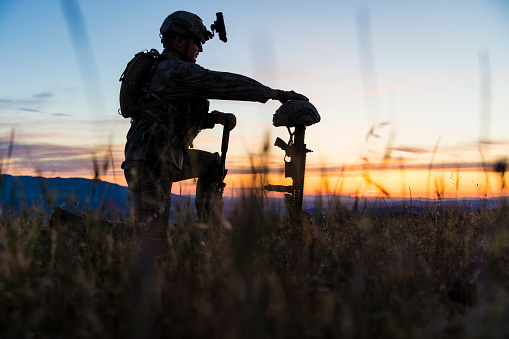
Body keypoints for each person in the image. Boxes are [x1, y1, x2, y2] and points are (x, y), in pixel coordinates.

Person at [121, 10, 308, 233]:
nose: (200, 49)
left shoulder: (168, 71)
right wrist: (276, 94)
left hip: (167, 157)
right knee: (151, 236)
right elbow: (223, 83)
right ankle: (93, 234)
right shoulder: (175, 71)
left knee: (212, 165)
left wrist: (213, 119)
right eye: (197, 42)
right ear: (180, 41)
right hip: (148, 162)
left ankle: (211, 230)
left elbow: (172, 115)